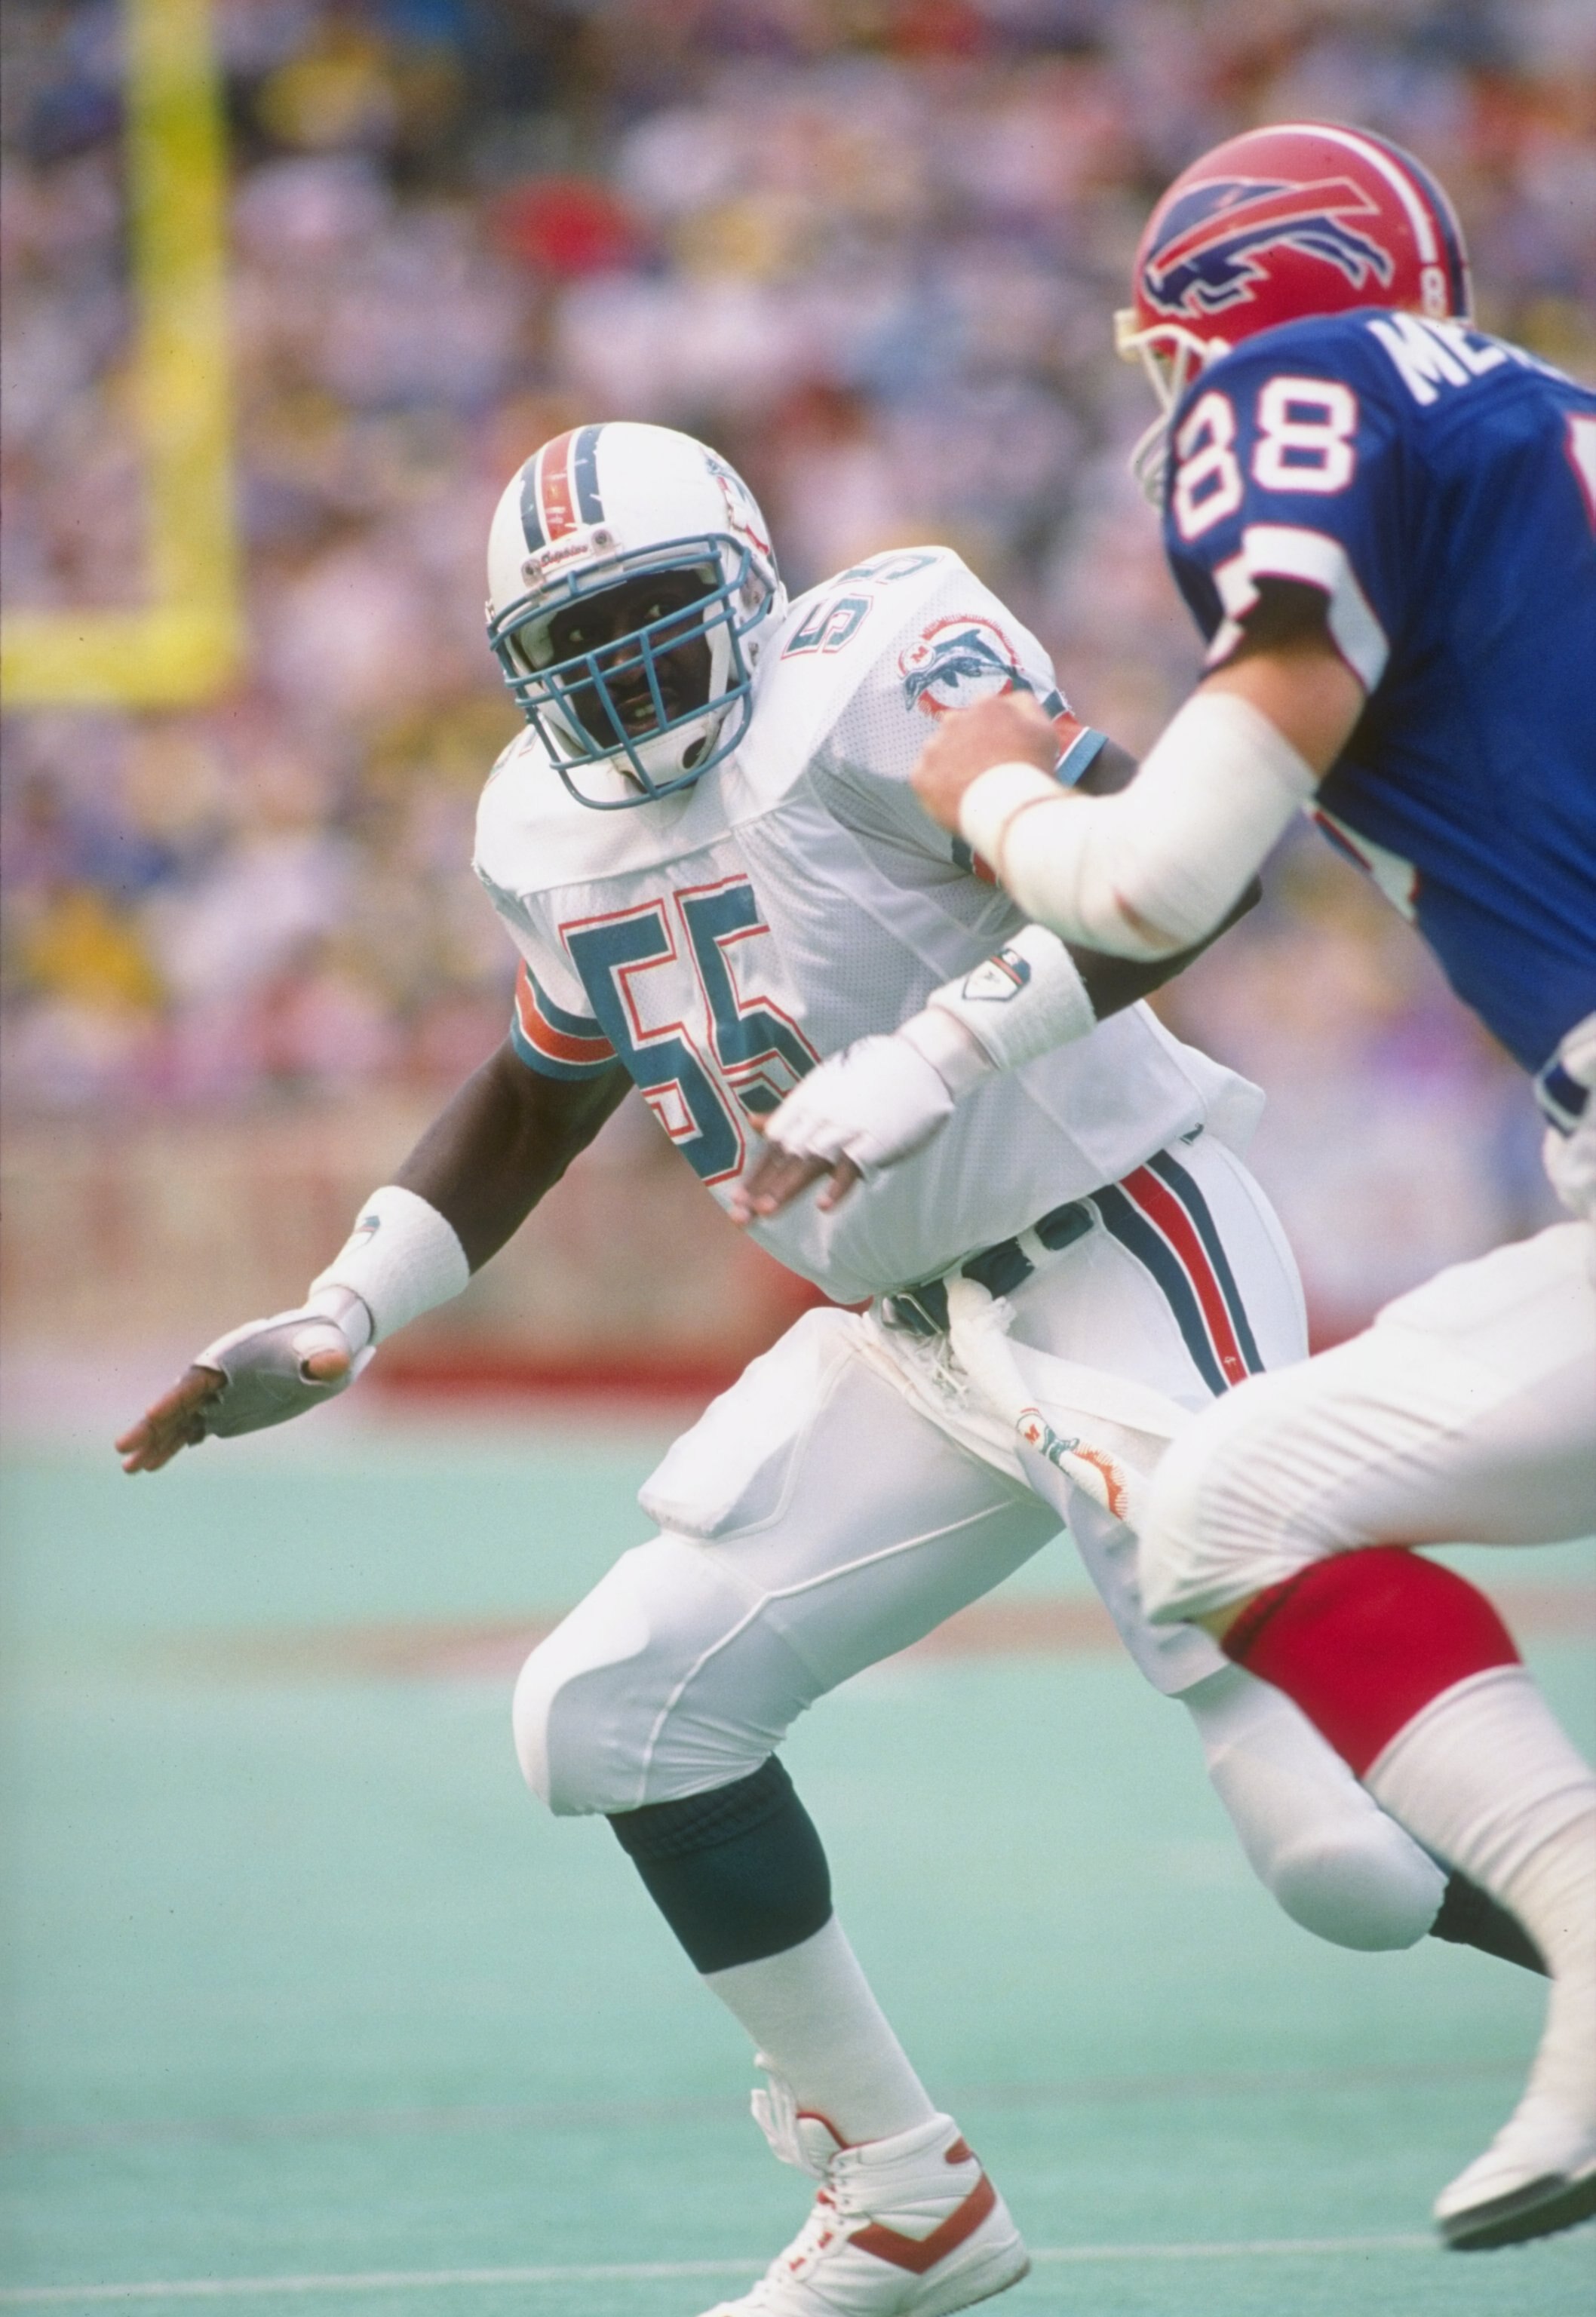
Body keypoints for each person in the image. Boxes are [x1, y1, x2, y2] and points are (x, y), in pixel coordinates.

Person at [121, 421, 1536, 2314]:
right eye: (575, 646)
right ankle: (902, 2194)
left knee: (1336, 1860)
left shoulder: (877, 666)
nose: (620, 675)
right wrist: (345, 1310)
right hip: (903, 1333)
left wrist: (939, 1054)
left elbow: (1164, 882)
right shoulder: (540, 828)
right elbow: (545, 1091)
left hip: (1113, 1241)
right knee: (611, 1713)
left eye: (647, 617)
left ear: (746, 581)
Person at [755, 124, 1595, 2258]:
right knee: (1237, 1490)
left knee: (1234, 1504)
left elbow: (1153, 875)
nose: (1171, 414)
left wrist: (992, 786)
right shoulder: (1546, 428)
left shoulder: (1296, 391)